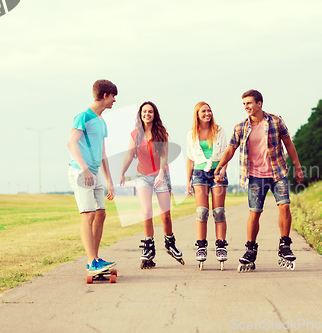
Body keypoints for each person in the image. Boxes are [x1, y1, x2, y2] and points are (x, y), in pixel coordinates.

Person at [214, 89, 304, 272]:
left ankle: (285, 244)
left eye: (249, 103)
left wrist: (298, 165)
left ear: (259, 104)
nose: (246, 107)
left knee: (285, 206)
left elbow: (288, 143)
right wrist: (220, 166)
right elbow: (231, 149)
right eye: (244, 104)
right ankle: (250, 249)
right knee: (255, 213)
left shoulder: (276, 121)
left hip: (277, 172)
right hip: (255, 176)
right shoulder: (241, 127)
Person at [120, 101, 184, 269]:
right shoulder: (135, 134)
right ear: (140, 114)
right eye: (144, 112)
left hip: (161, 174)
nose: (147, 114)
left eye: (150, 112)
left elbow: (164, 155)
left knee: (165, 215)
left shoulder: (161, 132)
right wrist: (122, 172)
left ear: (154, 114)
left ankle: (170, 243)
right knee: (147, 212)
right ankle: (148, 247)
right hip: (143, 176)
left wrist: (162, 173)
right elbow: (128, 156)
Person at [67, 79, 117, 276]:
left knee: (101, 214)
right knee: (88, 215)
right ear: (105, 95)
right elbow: (71, 143)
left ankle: (95, 258)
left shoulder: (101, 121)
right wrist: (85, 169)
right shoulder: (83, 116)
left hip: (95, 173)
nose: (114, 101)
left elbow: (102, 153)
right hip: (81, 172)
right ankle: (91, 262)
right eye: (113, 96)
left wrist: (109, 181)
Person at [186, 101, 229, 270]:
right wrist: (187, 180)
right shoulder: (191, 134)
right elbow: (190, 158)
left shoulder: (219, 130)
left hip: (217, 171)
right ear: (197, 114)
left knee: (219, 212)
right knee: (202, 211)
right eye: (203, 111)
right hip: (199, 173)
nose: (207, 113)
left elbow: (227, 151)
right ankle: (201, 246)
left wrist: (223, 170)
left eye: (209, 110)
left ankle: (220, 245)